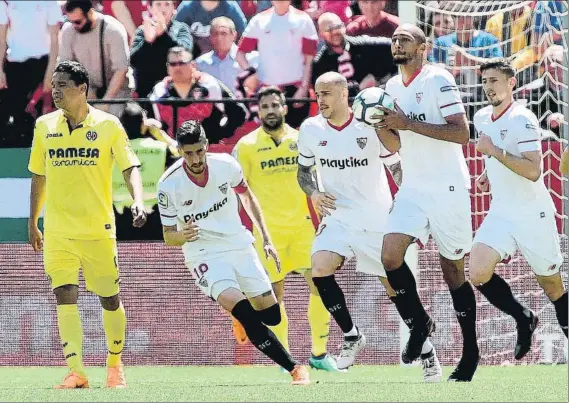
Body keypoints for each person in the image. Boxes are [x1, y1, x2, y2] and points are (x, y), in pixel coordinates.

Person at [296, 72, 442, 381]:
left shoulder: (369, 127)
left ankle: (428, 352)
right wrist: (313, 192)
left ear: (343, 96)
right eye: (317, 94)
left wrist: (412, 203)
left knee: (394, 289)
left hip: (375, 217)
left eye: (326, 94)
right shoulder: (310, 129)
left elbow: (397, 167)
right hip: (337, 216)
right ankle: (351, 334)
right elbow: (303, 172)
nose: (320, 99)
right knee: (319, 267)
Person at [157, 120, 310, 385]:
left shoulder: (226, 165)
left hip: (238, 242)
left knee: (272, 316)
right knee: (246, 314)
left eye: (199, 151)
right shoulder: (168, 185)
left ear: (206, 145)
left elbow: (248, 197)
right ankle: (295, 369)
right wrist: (182, 235)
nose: (195, 159)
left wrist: (266, 238)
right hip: (203, 252)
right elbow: (168, 236)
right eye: (188, 153)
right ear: (180, 150)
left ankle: (241, 318)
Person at [27, 61, 147, 389]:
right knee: (64, 294)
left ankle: (114, 365)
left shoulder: (108, 125)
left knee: (109, 297)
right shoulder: (43, 126)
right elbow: (38, 175)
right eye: (54, 84)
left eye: (63, 84)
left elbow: (130, 166)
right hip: (58, 229)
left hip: (98, 229)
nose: (55, 90)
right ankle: (76, 371)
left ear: (83, 89)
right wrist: (33, 221)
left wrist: (137, 200)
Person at [375, 24, 477, 382]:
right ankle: (420, 323)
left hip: (448, 187)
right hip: (414, 187)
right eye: (394, 39)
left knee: (453, 273)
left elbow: (462, 133)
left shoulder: (438, 79)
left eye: (405, 38)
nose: (397, 43)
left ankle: (470, 352)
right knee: (388, 254)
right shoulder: (389, 87)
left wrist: (407, 123)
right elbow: (395, 143)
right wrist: (378, 123)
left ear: (423, 47)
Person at [232, 86, 337, 371]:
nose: (270, 110)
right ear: (258, 110)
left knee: (321, 288)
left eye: (275, 105)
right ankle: (285, 361)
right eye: (264, 106)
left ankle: (319, 354)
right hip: (268, 235)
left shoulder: (300, 139)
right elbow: (237, 191)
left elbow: (317, 176)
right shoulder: (246, 146)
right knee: (273, 299)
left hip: (303, 228)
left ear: (285, 108)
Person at [471, 58, 567, 363]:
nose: (488, 87)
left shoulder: (523, 119)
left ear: (511, 83)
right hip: (501, 212)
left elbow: (533, 171)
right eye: (485, 81)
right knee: (477, 271)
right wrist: (489, 171)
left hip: (532, 213)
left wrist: (494, 153)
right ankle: (523, 318)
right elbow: (496, 156)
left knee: (552, 286)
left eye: (494, 80)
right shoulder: (482, 116)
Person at [237, 0, 318, 128]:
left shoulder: (303, 19)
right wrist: (253, 74)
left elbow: (309, 58)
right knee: (269, 134)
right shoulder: (259, 20)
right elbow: (240, 53)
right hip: (267, 90)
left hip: (295, 89)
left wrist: (303, 88)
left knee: (295, 136)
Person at [150, 46, 247, 143]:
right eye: (173, 64)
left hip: (206, 150)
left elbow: (239, 113)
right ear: (167, 67)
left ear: (193, 65)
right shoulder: (159, 91)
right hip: (172, 152)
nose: (177, 68)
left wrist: (218, 135)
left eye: (182, 63)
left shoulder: (210, 85)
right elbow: (151, 122)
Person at [59, 0, 132, 118]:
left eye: (77, 22)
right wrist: (85, 92)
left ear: (90, 13)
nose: (74, 26)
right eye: (70, 21)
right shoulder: (68, 31)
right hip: (84, 91)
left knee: (112, 119)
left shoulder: (113, 30)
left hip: (115, 92)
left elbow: (121, 69)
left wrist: (106, 101)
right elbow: (65, 68)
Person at [312, 12, 396, 98]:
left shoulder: (363, 45)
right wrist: (358, 88)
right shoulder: (319, 63)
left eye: (337, 27)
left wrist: (378, 80)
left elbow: (394, 46)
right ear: (320, 33)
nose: (334, 32)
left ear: (344, 27)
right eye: (329, 29)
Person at [130, 0, 193, 102]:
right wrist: (147, 42)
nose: (163, 8)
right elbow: (134, 61)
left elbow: (185, 53)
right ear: (150, 8)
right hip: (146, 94)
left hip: (175, 93)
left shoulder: (181, 29)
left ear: (174, 8)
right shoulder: (143, 30)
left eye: (167, 4)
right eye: (158, 4)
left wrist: (163, 35)